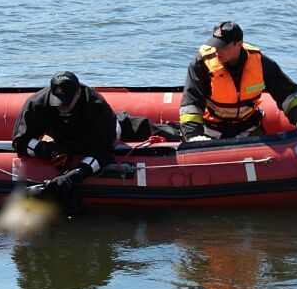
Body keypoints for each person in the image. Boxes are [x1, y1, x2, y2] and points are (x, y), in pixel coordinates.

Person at [12, 71, 180, 206]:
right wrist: (49, 150)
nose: (62, 107)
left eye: (67, 102)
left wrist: (74, 176)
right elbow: (20, 141)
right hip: (66, 141)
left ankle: (180, 131)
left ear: (78, 94)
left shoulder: (96, 105)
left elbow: (102, 153)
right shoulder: (37, 104)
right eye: (58, 103)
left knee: (143, 127)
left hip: (107, 132)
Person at [179, 21, 297, 142]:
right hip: (212, 130)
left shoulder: (260, 62)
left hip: (248, 128)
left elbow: (287, 92)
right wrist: (193, 136)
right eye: (215, 45)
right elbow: (191, 103)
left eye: (222, 46)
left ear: (238, 44)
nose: (217, 50)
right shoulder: (201, 64)